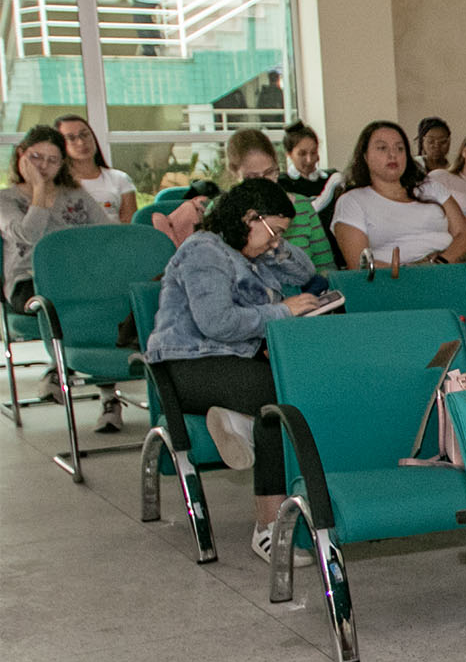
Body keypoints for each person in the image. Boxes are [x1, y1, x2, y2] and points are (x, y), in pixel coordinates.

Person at [145, 177, 326, 562]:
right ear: (249, 217)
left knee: (291, 394)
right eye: (274, 231)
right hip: (188, 366)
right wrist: (284, 310)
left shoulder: (250, 253)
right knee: (281, 406)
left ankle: (242, 423)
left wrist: (274, 243)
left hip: (231, 363)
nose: (277, 241)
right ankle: (269, 529)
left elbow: (303, 271)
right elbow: (217, 322)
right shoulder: (203, 250)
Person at [2, 126, 118, 424]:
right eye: (36, 157)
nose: (43, 166)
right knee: (78, 306)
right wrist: (40, 191)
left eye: (52, 160)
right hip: (29, 282)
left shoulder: (75, 194)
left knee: (108, 304)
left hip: (80, 279)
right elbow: (27, 235)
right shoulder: (6, 200)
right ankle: (62, 365)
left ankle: (104, 393)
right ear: (21, 156)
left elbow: (107, 235)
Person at [332, 121, 466, 269]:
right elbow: (360, 264)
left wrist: (436, 264)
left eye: (400, 148)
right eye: (382, 148)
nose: (393, 154)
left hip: (446, 270)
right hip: (392, 281)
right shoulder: (351, 201)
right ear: (365, 156)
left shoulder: (431, 187)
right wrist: (414, 271)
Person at [227, 128, 334, 272]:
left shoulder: (301, 207)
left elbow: (326, 267)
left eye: (270, 173)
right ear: (235, 173)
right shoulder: (223, 211)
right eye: (252, 177)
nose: (263, 183)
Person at [55, 115, 136, 223]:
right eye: (71, 138)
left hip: (115, 238)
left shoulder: (120, 179)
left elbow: (130, 225)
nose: (81, 142)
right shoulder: (56, 183)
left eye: (84, 134)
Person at [279, 122, 330, 199]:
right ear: (289, 154)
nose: (309, 160)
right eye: (302, 154)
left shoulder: (330, 179)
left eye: (313, 152)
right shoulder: (282, 184)